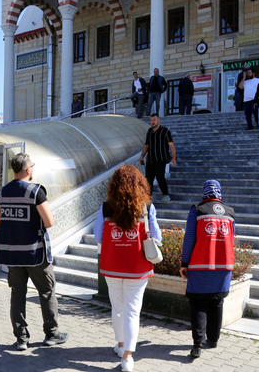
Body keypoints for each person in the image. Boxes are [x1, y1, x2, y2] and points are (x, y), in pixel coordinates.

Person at [0, 153, 69, 351]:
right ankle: (52, 334)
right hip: (35, 254)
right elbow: (49, 222)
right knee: (46, 292)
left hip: (12, 254)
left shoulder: (1, 193)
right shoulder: (35, 192)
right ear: (28, 170)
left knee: (17, 294)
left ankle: (21, 339)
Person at [94, 165, 162, 372]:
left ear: (114, 185)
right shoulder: (147, 207)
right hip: (138, 268)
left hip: (112, 266)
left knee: (118, 308)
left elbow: (98, 237)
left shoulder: (106, 207)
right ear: (140, 184)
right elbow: (157, 237)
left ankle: (121, 344)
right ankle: (127, 358)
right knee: (133, 311)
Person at [179, 180, 235, 358]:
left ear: (204, 192)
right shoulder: (230, 212)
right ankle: (214, 339)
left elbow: (189, 239)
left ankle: (198, 344)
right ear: (219, 193)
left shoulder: (197, 210)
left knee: (198, 303)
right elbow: (232, 239)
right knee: (217, 302)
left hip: (200, 265)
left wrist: (184, 264)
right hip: (224, 266)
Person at [140, 114, 176, 201]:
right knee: (148, 180)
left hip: (161, 159)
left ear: (159, 120)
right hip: (150, 159)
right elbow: (146, 145)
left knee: (160, 177)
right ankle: (148, 198)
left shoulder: (165, 131)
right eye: (151, 120)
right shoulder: (149, 131)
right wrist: (142, 156)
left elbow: (171, 145)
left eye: (154, 120)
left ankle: (165, 194)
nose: (152, 122)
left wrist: (173, 158)